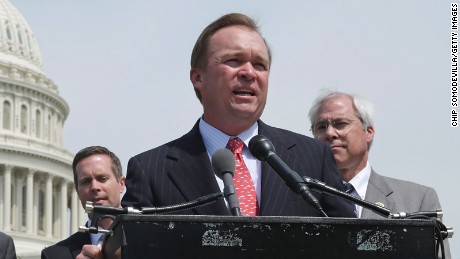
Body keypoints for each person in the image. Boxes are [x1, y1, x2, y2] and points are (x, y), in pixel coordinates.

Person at [121, 13, 355, 218]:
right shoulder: (151, 170)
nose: (249, 73)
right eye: (234, 61)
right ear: (197, 77)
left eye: (260, 65)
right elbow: (129, 247)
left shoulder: (313, 157)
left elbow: (351, 242)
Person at [308, 90, 451, 258]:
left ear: (368, 131)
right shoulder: (300, 199)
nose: (330, 133)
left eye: (340, 124)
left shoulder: (417, 200)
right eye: (321, 127)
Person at [41, 146, 125, 259]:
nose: (95, 187)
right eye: (86, 181)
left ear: (121, 184)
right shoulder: (54, 255)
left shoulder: (149, 239)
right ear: (77, 190)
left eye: (102, 178)